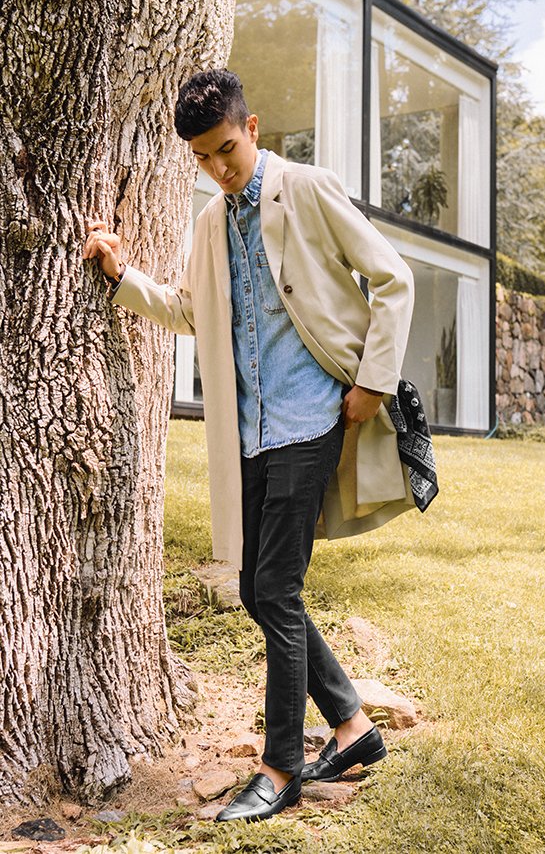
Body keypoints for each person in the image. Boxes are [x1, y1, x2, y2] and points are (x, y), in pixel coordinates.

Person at [83, 69, 415, 823]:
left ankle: (280, 766)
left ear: (252, 128)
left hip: (312, 418)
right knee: (257, 590)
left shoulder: (309, 189)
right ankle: (352, 727)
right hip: (250, 431)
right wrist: (120, 275)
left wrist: (373, 382)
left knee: (275, 589)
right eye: (201, 157)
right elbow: (190, 312)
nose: (217, 167)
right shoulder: (209, 223)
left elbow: (393, 277)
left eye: (225, 149)